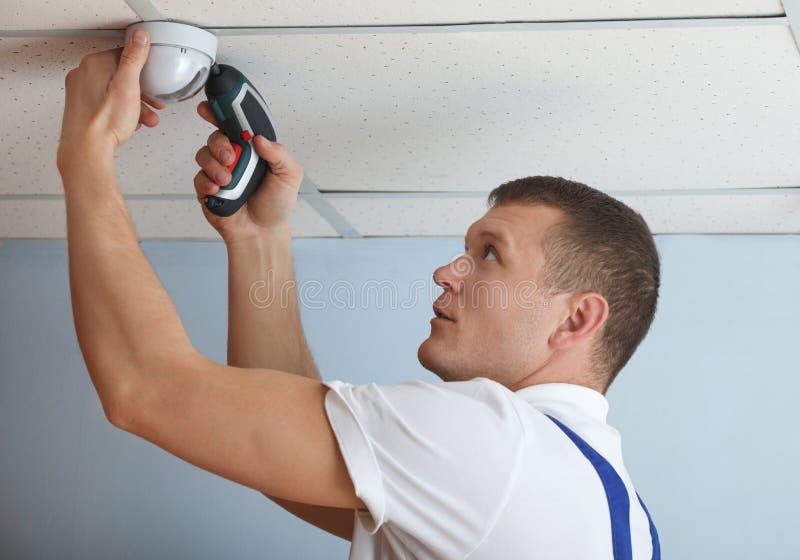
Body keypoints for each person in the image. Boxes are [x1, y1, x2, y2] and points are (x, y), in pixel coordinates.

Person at [58, 29, 660, 559]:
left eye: (489, 255)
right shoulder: (602, 502)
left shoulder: (496, 444)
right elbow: (279, 454)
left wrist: (86, 149)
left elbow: (147, 389)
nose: (446, 273)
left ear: (576, 319)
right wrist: (259, 238)